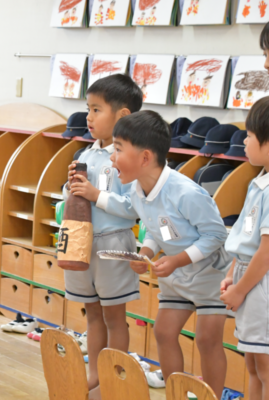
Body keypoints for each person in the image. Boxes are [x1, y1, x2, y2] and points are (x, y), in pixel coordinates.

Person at [109, 110, 229, 398]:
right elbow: (157, 229)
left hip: (210, 276)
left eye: (118, 149)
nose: (112, 157)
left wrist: (177, 260)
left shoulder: (186, 193)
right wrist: (145, 252)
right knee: (163, 332)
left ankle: (212, 396)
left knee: (207, 340)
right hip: (176, 276)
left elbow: (216, 236)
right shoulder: (137, 190)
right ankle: (176, 393)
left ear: (145, 158)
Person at [64, 74, 142, 396]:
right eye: (88, 109)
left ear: (122, 116)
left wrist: (96, 195)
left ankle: (114, 378)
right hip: (83, 240)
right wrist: (70, 187)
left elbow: (134, 208)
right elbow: (74, 197)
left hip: (114, 243)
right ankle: (95, 375)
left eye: (97, 110)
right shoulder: (85, 154)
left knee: (114, 317)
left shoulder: (130, 156)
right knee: (93, 314)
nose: (89, 117)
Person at [222, 97, 269, 400]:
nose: (244, 141)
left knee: (264, 366)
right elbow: (244, 237)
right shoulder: (259, 181)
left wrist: (240, 289)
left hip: (260, 283)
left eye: (250, 136)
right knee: (252, 363)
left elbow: (266, 251)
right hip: (247, 276)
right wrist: (231, 275)